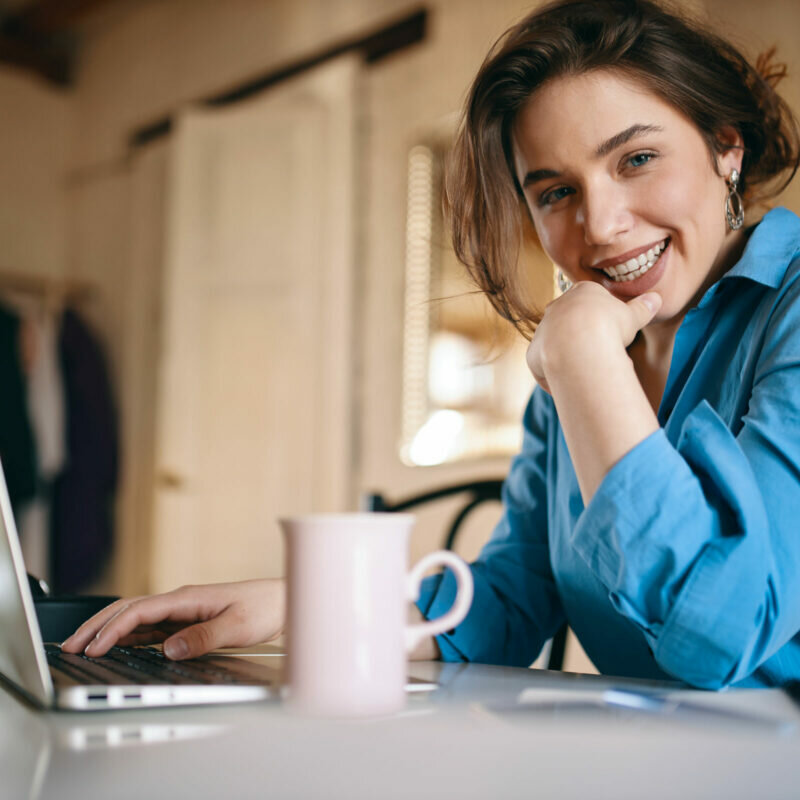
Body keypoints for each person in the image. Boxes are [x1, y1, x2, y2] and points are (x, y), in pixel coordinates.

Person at [63, 0, 800, 690]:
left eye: (636, 159)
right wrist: (304, 604)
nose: (601, 224)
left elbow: (722, 635)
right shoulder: (582, 364)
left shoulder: (620, 349)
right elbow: (514, 599)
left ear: (725, 148)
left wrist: (584, 366)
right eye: (555, 193)